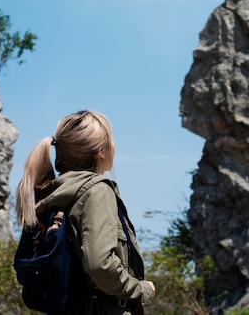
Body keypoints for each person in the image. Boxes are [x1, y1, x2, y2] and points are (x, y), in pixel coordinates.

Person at [16, 109, 156, 314]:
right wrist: (141, 290)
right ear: (101, 150)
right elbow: (100, 265)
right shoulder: (96, 190)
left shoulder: (49, 193)